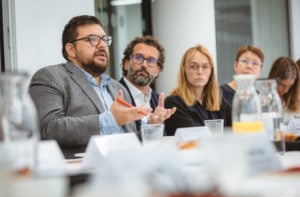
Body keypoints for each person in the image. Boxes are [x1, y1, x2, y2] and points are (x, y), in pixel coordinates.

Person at [29, 15, 157, 158]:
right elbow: (48, 130)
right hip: (83, 173)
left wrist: (150, 127)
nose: (102, 46)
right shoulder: (51, 77)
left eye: (104, 39)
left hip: (127, 167)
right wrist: (110, 120)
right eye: (92, 39)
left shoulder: (116, 87)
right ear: (71, 49)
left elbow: (128, 139)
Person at [164, 45, 231, 136]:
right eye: (193, 66)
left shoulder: (218, 100)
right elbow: (192, 138)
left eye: (205, 67)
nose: (200, 72)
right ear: (184, 70)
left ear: (211, 71)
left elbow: (238, 128)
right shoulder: (173, 103)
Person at [119, 35, 176, 131]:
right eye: (138, 58)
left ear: (157, 70)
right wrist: (150, 128)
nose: (144, 65)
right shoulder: (113, 94)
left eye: (151, 61)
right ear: (126, 64)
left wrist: (155, 125)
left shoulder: (157, 100)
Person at [268, 56, 300, 125]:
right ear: (273, 78)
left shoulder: (296, 101)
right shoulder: (262, 99)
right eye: (283, 85)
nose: (286, 91)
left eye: (290, 86)